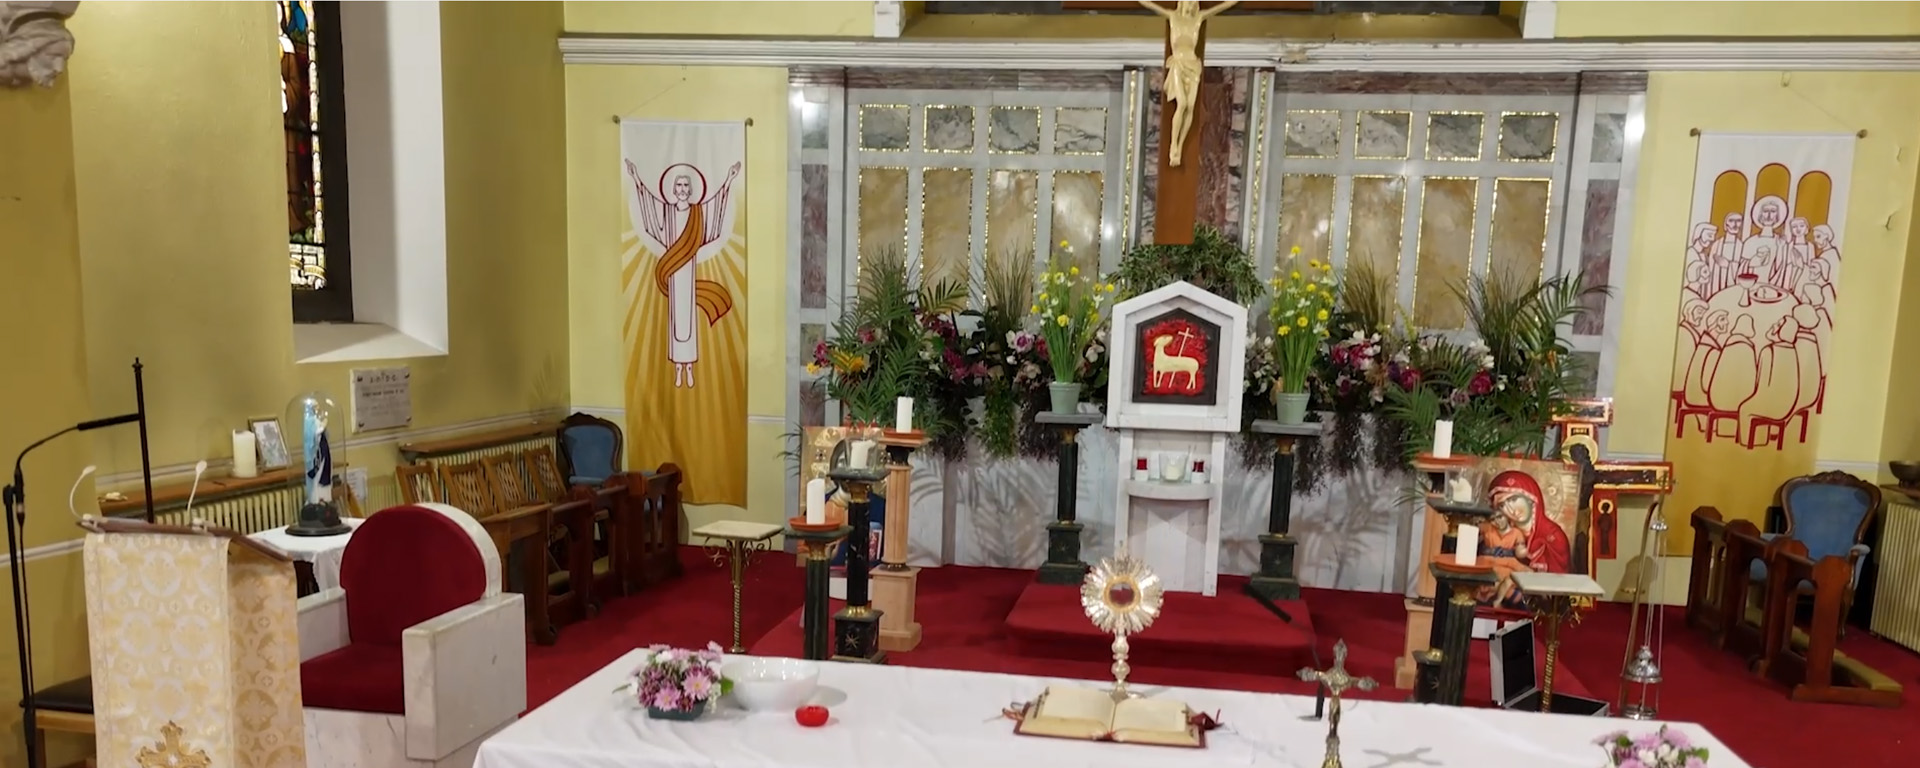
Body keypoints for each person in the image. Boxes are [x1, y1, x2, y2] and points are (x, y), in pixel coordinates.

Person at [627, 159, 741, 388]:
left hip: (687, 272)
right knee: (675, 320)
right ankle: (678, 368)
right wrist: (637, 178)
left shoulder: (698, 213)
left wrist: (728, 179)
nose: (682, 190)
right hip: (672, 274)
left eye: (685, 186)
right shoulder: (667, 213)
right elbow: (650, 209)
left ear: (691, 190)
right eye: (678, 186)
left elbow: (715, 205)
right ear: (672, 189)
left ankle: (689, 367)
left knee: (688, 319)